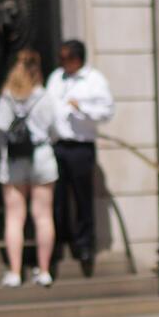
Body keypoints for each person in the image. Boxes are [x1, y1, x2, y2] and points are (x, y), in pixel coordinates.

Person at [0, 48, 60, 288]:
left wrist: (4, 149)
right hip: (41, 155)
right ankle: (44, 270)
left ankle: (15, 271)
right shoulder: (44, 96)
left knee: (14, 217)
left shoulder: (7, 97)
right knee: (43, 215)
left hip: (14, 159)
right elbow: (55, 130)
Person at [46, 39, 114, 275]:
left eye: (66, 58)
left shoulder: (94, 80)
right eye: (60, 58)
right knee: (57, 199)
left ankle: (85, 246)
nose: (62, 63)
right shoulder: (55, 78)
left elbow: (107, 112)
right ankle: (58, 244)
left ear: (77, 58)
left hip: (81, 147)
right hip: (57, 145)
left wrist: (82, 109)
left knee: (83, 199)